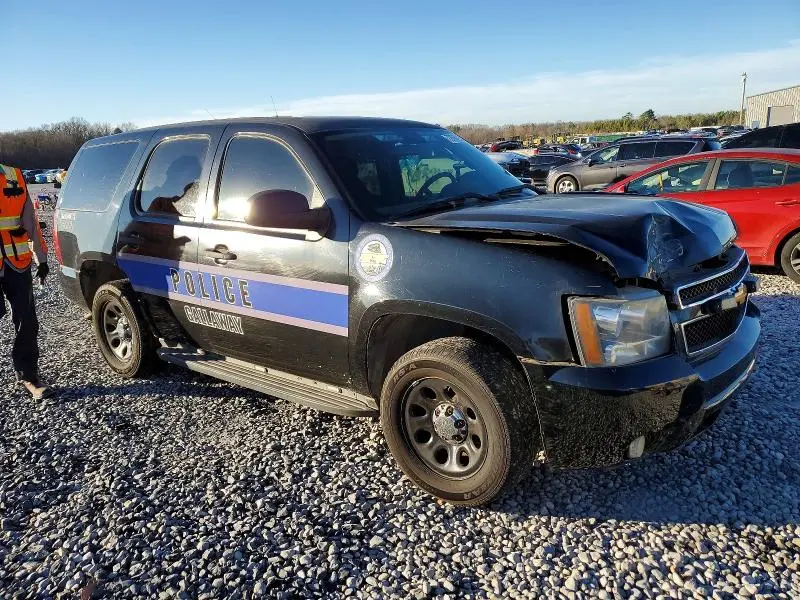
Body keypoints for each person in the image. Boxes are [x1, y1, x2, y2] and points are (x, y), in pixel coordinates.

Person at [0, 164, 53, 399]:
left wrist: (41, 258)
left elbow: (30, 220)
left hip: (16, 260)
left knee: (27, 320)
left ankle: (29, 376)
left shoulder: (15, 176)